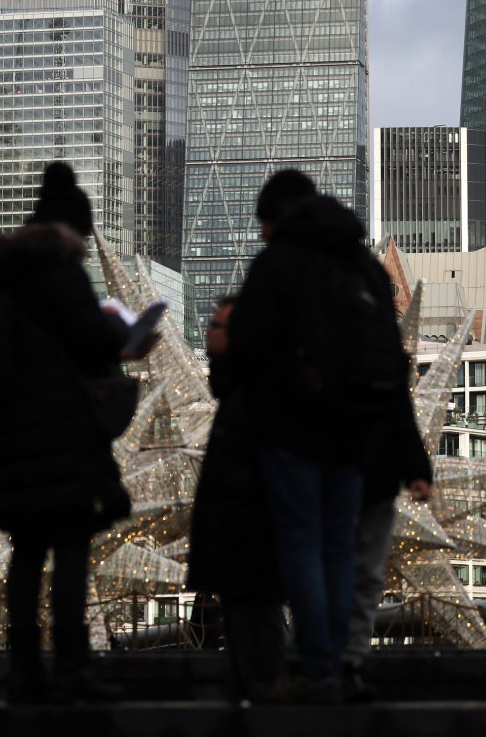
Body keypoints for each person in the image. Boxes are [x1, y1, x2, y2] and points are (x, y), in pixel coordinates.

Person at [0, 161, 137, 704]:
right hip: (69, 442)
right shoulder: (64, 274)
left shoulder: (1, 288)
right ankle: (74, 667)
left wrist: (14, 400)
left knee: (27, 555)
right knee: (73, 551)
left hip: (16, 444)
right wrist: (121, 336)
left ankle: (23, 668)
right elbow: (90, 339)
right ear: (71, 232)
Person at [224, 169, 410, 701]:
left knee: (302, 545)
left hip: (291, 429)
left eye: (262, 223)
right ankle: (340, 663)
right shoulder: (361, 264)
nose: (261, 233)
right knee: (338, 548)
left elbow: (245, 345)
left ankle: (317, 663)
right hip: (354, 431)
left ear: (276, 216)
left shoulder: (279, 262)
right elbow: (390, 357)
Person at [186, 294, 286, 700]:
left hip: (253, 542)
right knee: (245, 630)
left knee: (257, 627)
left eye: (217, 327)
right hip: (235, 542)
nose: (208, 334)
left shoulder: (260, 394)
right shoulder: (235, 390)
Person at [341, 358, 433, 702]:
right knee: (351, 574)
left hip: (368, 479)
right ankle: (331, 658)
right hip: (334, 474)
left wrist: (416, 469)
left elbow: (399, 409)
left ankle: (347, 660)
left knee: (363, 575)